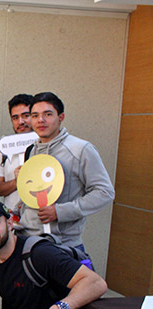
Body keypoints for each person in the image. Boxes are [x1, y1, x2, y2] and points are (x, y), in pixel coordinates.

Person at [18, 92, 115, 250]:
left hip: (62, 245)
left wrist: (60, 211)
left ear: (61, 117)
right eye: (35, 115)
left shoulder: (81, 149)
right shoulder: (31, 151)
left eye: (47, 114)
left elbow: (105, 192)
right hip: (27, 240)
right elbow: (35, 195)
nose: (40, 120)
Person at [0, 94, 34, 213]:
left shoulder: (45, 144)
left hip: (40, 218)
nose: (21, 121)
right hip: (12, 220)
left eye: (26, 116)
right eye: (15, 117)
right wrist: (16, 182)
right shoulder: (6, 146)